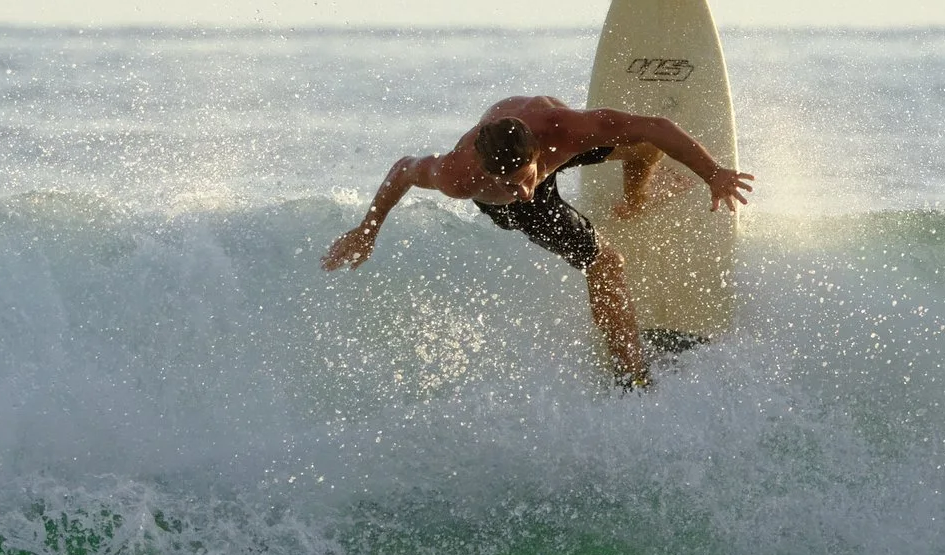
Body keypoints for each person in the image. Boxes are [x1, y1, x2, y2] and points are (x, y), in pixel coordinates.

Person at [322, 96, 752, 385]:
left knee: (643, 146)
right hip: (508, 209)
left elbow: (656, 126)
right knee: (606, 264)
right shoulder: (459, 175)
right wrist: (367, 230)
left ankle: (636, 200)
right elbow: (403, 170)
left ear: (537, 153)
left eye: (524, 179)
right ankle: (634, 377)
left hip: (552, 152)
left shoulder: (567, 130)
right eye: (510, 183)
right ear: (487, 170)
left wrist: (713, 173)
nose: (523, 189)